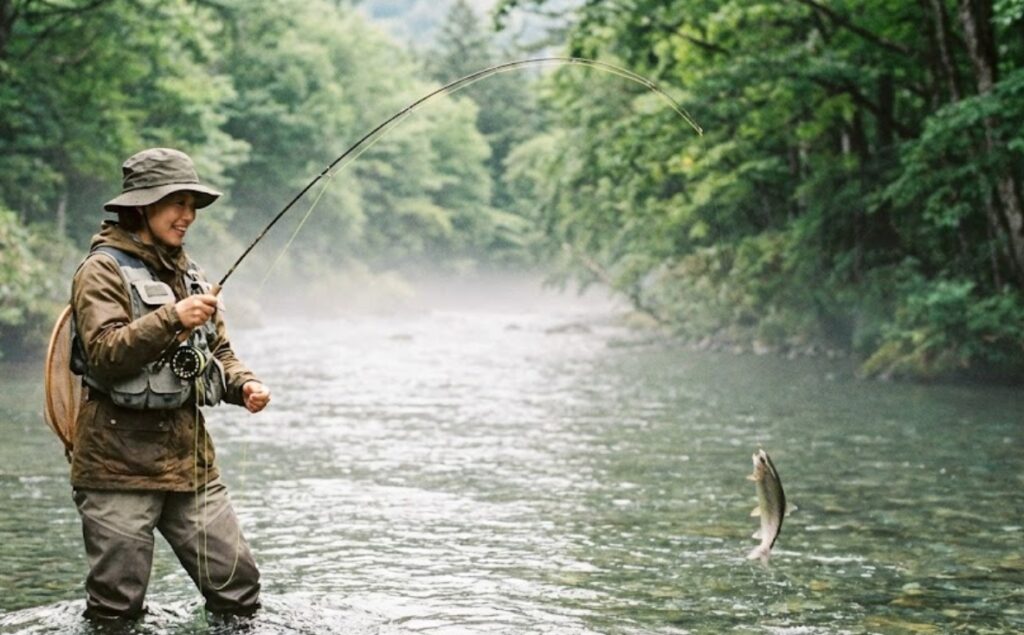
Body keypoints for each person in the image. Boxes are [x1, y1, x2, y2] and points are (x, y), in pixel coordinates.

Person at [69, 147, 270, 620]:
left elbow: (216, 354)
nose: (188, 216)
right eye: (177, 202)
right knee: (117, 610)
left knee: (239, 592)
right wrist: (171, 317)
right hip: (116, 466)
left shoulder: (192, 274)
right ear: (142, 205)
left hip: (189, 462)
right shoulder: (100, 270)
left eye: (192, 205)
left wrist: (245, 386)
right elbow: (104, 352)